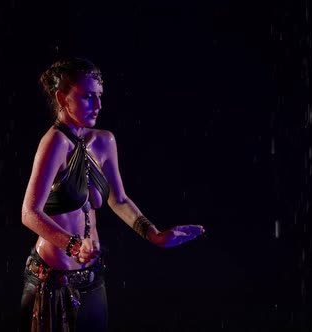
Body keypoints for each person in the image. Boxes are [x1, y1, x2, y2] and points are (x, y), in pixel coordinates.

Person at [19, 57, 206, 331]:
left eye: (100, 97)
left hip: (92, 277)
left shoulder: (104, 142)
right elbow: (28, 213)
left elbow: (118, 200)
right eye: (87, 97)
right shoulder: (54, 143)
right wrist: (72, 245)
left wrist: (155, 235)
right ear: (62, 97)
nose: (98, 106)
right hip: (52, 282)